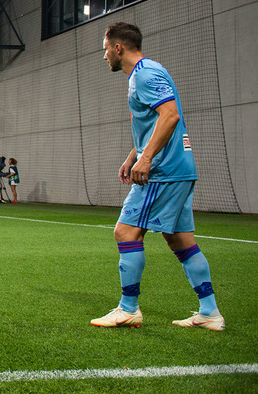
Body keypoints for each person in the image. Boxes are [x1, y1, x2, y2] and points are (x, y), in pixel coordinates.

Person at [91, 22, 223, 331]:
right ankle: (210, 312)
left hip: (164, 171)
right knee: (181, 241)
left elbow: (170, 115)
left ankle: (128, 308)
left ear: (118, 48)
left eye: (105, 49)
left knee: (125, 232)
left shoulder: (146, 74)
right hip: (178, 169)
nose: (104, 55)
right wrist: (134, 155)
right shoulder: (143, 73)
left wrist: (147, 157)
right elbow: (154, 122)